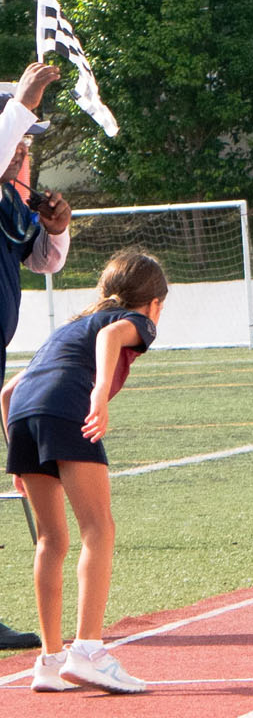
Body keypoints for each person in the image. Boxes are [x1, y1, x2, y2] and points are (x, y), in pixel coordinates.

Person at [2, 250, 166, 694]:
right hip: (65, 409)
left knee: (51, 539)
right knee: (100, 528)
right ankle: (89, 650)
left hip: (23, 418)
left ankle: (50, 661)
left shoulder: (71, 326)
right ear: (153, 303)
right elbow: (113, 337)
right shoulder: (135, 319)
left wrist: (14, 454)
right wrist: (97, 396)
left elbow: (7, 391)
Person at [0, 62, 70, 654]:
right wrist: (21, 101)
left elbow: (42, 262)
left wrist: (57, 231)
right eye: (19, 142)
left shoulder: (8, 200)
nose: (26, 153)